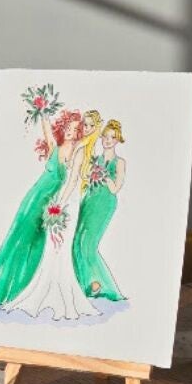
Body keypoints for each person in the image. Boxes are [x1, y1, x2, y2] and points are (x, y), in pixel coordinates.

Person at [4, 110, 101, 320]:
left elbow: (73, 180)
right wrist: (44, 112)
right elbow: (50, 137)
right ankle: (50, 293)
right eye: (76, 127)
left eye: (80, 128)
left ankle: (65, 301)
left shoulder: (81, 148)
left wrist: (59, 204)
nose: (78, 130)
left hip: (67, 201)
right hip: (60, 199)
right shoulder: (70, 148)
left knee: (61, 248)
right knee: (53, 247)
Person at [72, 119, 126, 300]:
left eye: (112, 137)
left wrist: (104, 175)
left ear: (117, 140)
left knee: (88, 243)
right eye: (106, 136)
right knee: (77, 241)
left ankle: (97, 283)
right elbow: (83, 177)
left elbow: (115, 189)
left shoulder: (119, 162)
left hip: (104, 204)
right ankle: (86, 284)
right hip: (89, 200)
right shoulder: (95, 159)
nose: (108, 140)